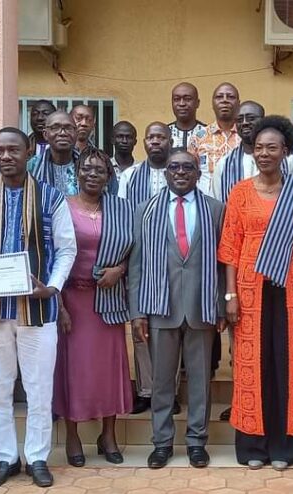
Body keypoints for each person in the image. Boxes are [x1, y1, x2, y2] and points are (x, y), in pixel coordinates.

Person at [0, 128, 78, 488]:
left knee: (39, 388)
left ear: (29, 151)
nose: (5, 156)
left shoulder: (50, 197)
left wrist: (52, 287)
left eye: (13, 149)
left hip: (37, 311)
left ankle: (37, 457)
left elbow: (67, 249)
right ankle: (6, 457)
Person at [219, 116, 293, 470]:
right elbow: (229, 248)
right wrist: (230, 296)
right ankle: (253, 446)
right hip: (250, 291)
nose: (264, 153)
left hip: (291, 289)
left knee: (287, 364)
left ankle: (284, 447)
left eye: (271, 147)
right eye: (259, 147)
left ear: (285, 151)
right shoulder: (240, 192)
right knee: (251, 364)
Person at [129, 148, 226, 469]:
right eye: (174, 167)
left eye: (187, 167)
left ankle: (197, 442)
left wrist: (221, 305)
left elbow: (222, 263)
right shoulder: (145, 210)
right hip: (160, 307)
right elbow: (136, 265)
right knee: (161, 382)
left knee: (200, 381)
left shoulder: (215, 210)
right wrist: (137, 312)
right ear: (166, 173)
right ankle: (162, 443)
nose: (181, 172)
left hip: (201, 308)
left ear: (198, 173)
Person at [54, 148, 134, 467]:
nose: (92, 174)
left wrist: (120, 269)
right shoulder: (61, 206)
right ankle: (73, 435)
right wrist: (59, 306)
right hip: (73, 299)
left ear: (108, 176)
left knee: (109, 370)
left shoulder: (121, 208)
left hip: (108, 301)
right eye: (86, 168)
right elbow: (52, 256)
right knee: (74, 370)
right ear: (77, 173)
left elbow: (135, 249)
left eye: (99, 170)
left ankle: (108, 435)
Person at [119, 122, 174, 415]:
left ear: (169, 141)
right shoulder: (130, 176)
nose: (155, 141)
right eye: (151, 137)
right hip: (139, 257)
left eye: (161, 137)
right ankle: (146, 390)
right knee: (141, 328)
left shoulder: (179, 171)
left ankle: (169, 392)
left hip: (174, 259)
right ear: (144, 142)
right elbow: (123, 214)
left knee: (170, 329)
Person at [212, 101, 293, 202]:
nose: (244, 123)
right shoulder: (224, 164)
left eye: (251, 118)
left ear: (263, 121)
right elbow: (217, 203)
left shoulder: (287, 160)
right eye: (239, 120)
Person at [188, 82, 241, 193]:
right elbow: (189, 173)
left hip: (241, 198)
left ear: (238, 103)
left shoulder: (246, 136)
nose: (225, 100)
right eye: (219, 97)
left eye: (230, 97)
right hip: (208, 200)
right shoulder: (198, 137)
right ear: (213, 104)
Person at [29, 110, 79, 196]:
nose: (63, 133)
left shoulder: (88, 166)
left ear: (76, 133)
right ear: (45, 134)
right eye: (55, 128)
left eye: (68, 128)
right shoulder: (31, 166)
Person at [168, 82, 208, 149]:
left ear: (197, 103)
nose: (182, 104)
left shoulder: (208, 133)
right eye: (177, 99)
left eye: (187, 99)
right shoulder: (164, 134)